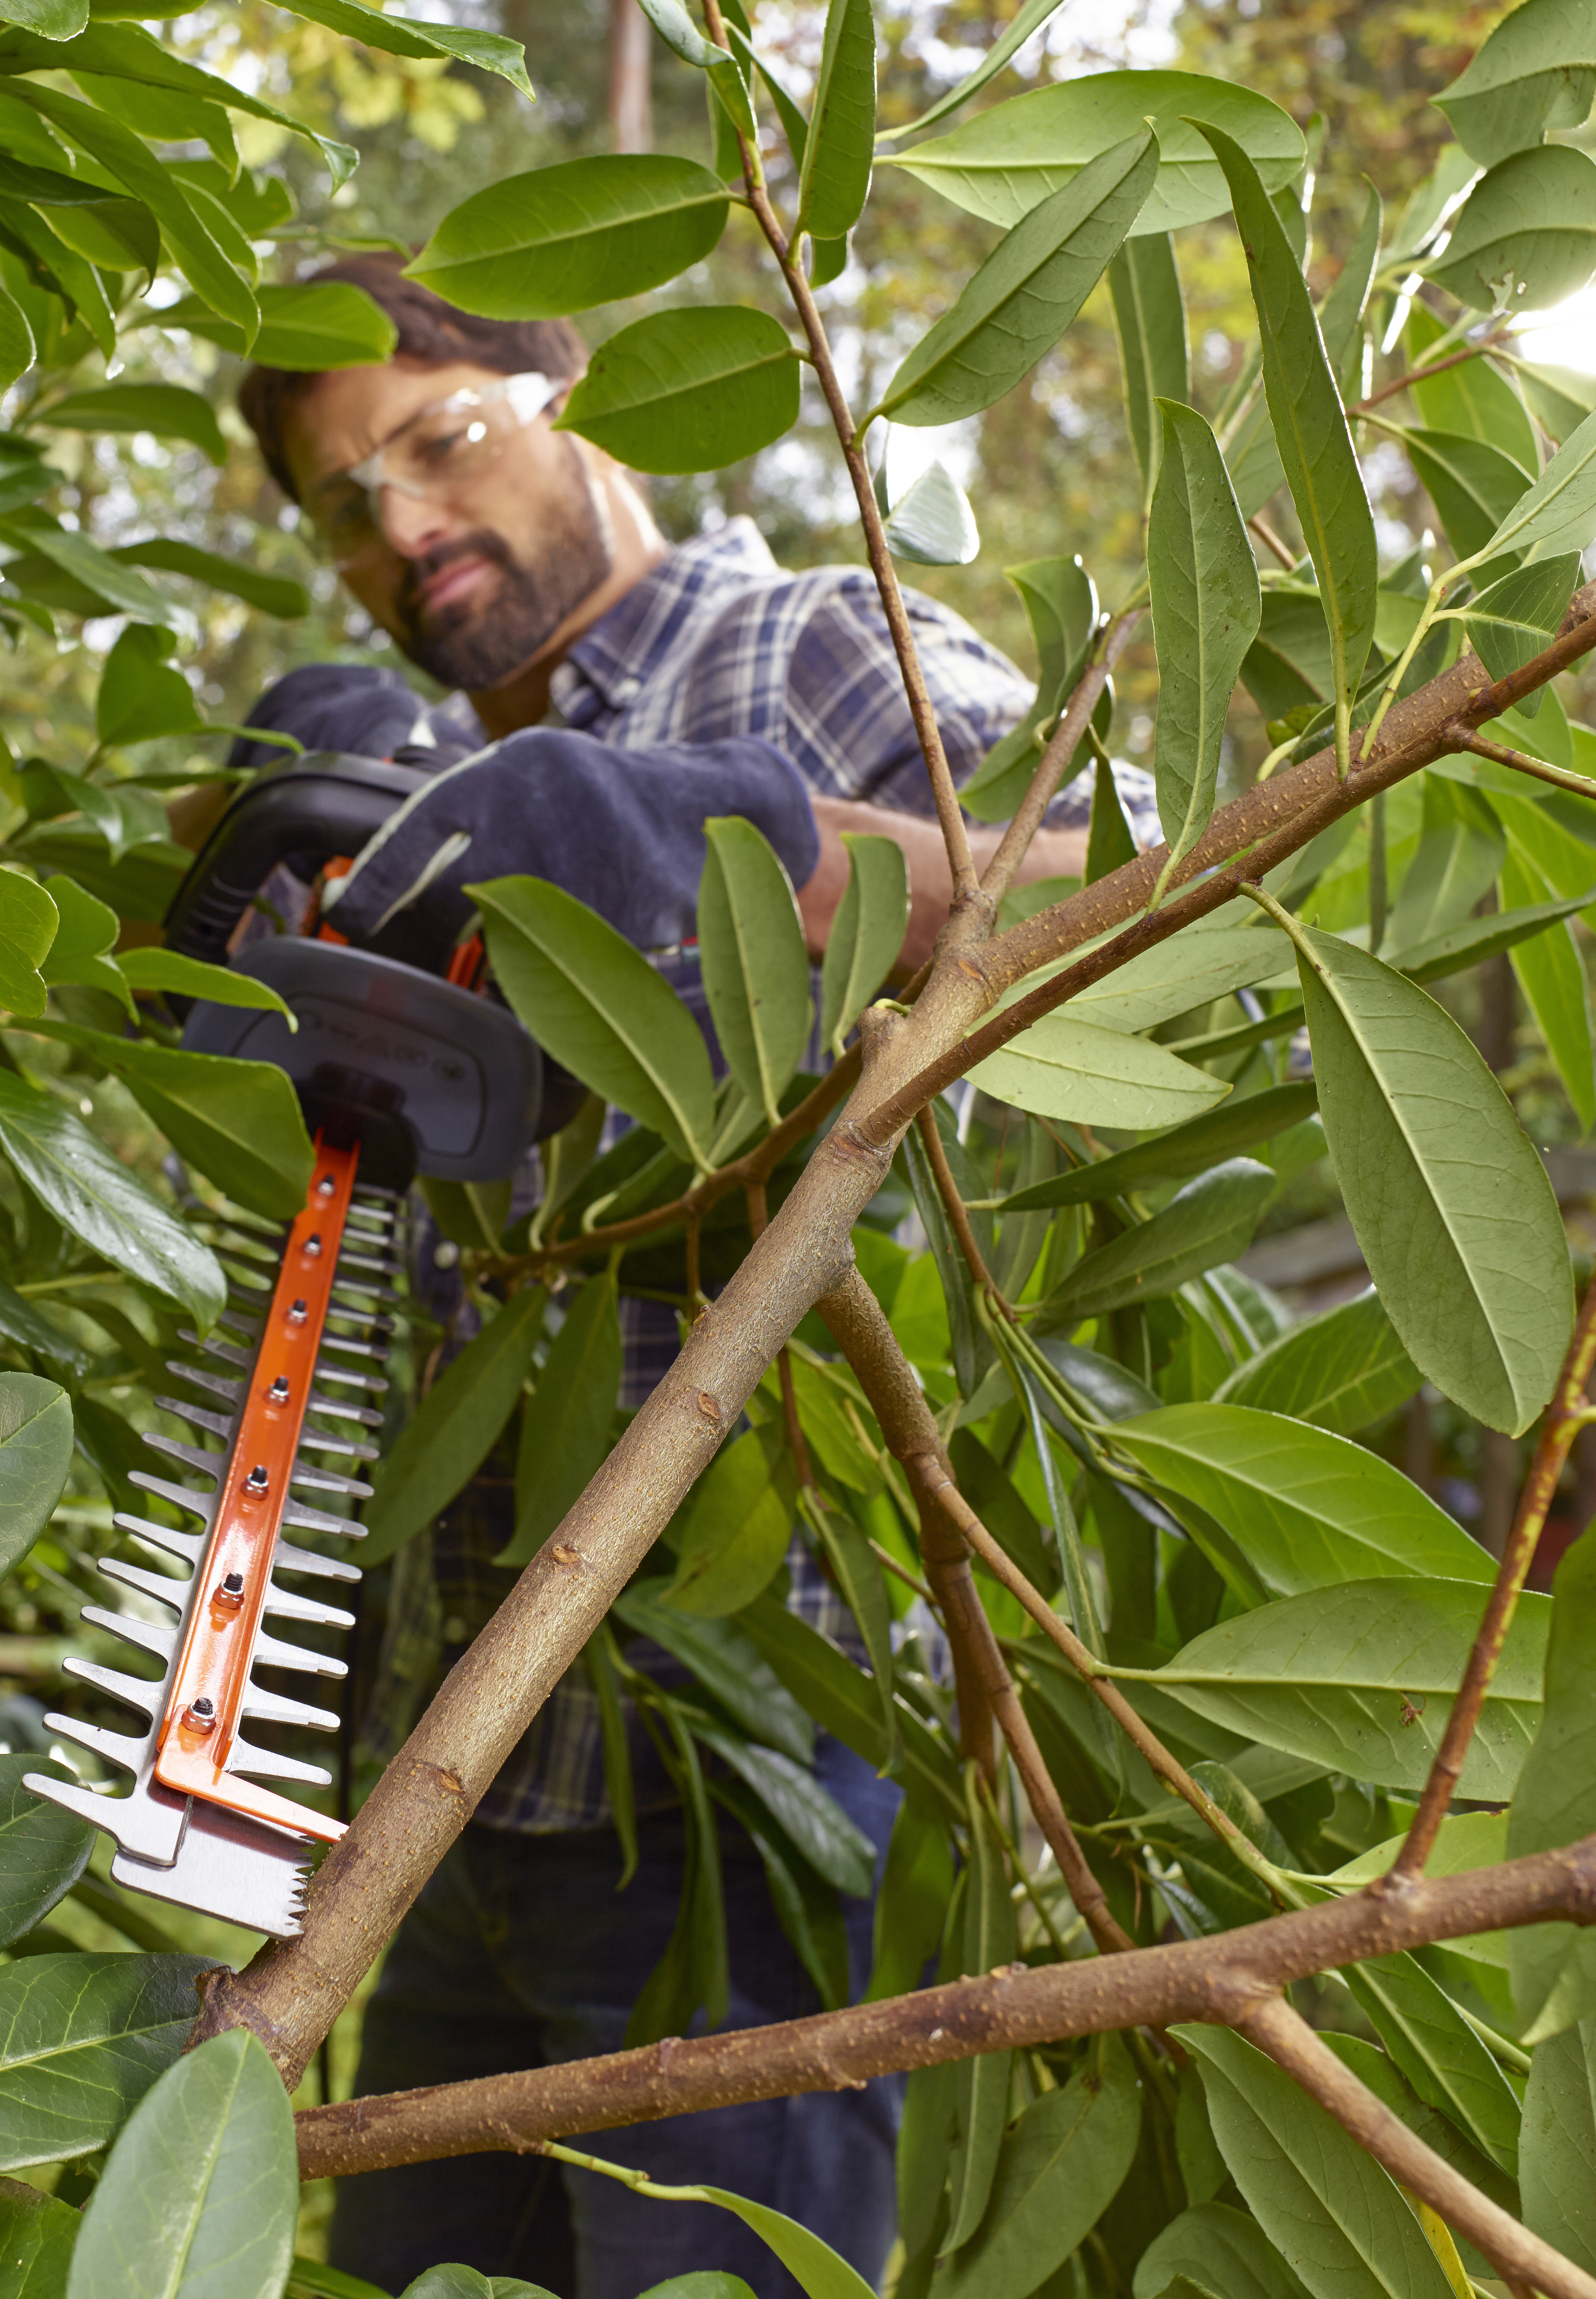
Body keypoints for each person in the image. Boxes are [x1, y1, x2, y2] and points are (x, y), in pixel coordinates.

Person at [221, 251, 1125, 2299]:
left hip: (732, 1786)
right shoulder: (409, 816)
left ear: (584, 408)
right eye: (340, 504)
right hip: (446, 1805)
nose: (402, 525)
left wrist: (747, 848)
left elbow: (1129, 900)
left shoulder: (799, 659)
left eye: (436, 442)